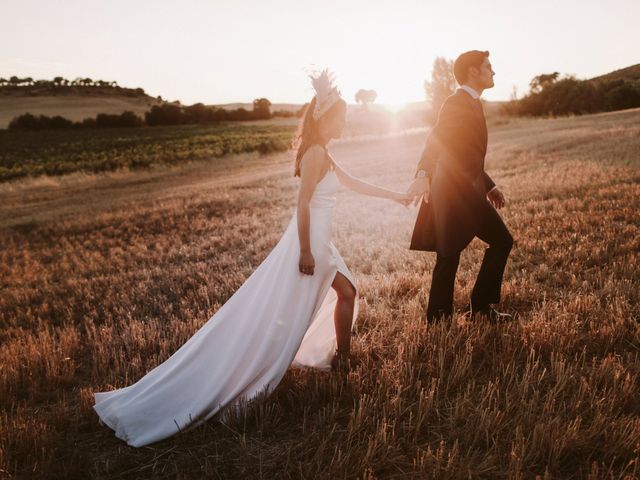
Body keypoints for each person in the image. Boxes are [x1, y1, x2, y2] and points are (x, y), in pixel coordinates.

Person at [93, 69, 411, 447]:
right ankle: (286, 363)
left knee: (348, 292)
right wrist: (307, 250)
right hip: (310, 245)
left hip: (322, 244)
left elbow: (354, 183)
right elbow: (303, 203)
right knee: (302, 308)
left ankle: (342, 357)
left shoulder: (323, 153)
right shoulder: (313, 154)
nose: (346, 120)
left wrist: (397, 196)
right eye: (341, 115)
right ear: (326, 117)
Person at [406, 50, 514, 322]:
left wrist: (488, 185)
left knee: (460, 253)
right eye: (488, 66)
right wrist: (422, 173)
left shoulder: (472, 102)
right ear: (473, 72)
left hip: (469, 192)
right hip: (455, 195)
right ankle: (455, 316)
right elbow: (436, 141)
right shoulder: (457, 103)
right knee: (454, 254)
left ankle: (472, 310)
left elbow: (464, 153)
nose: (493, 71)